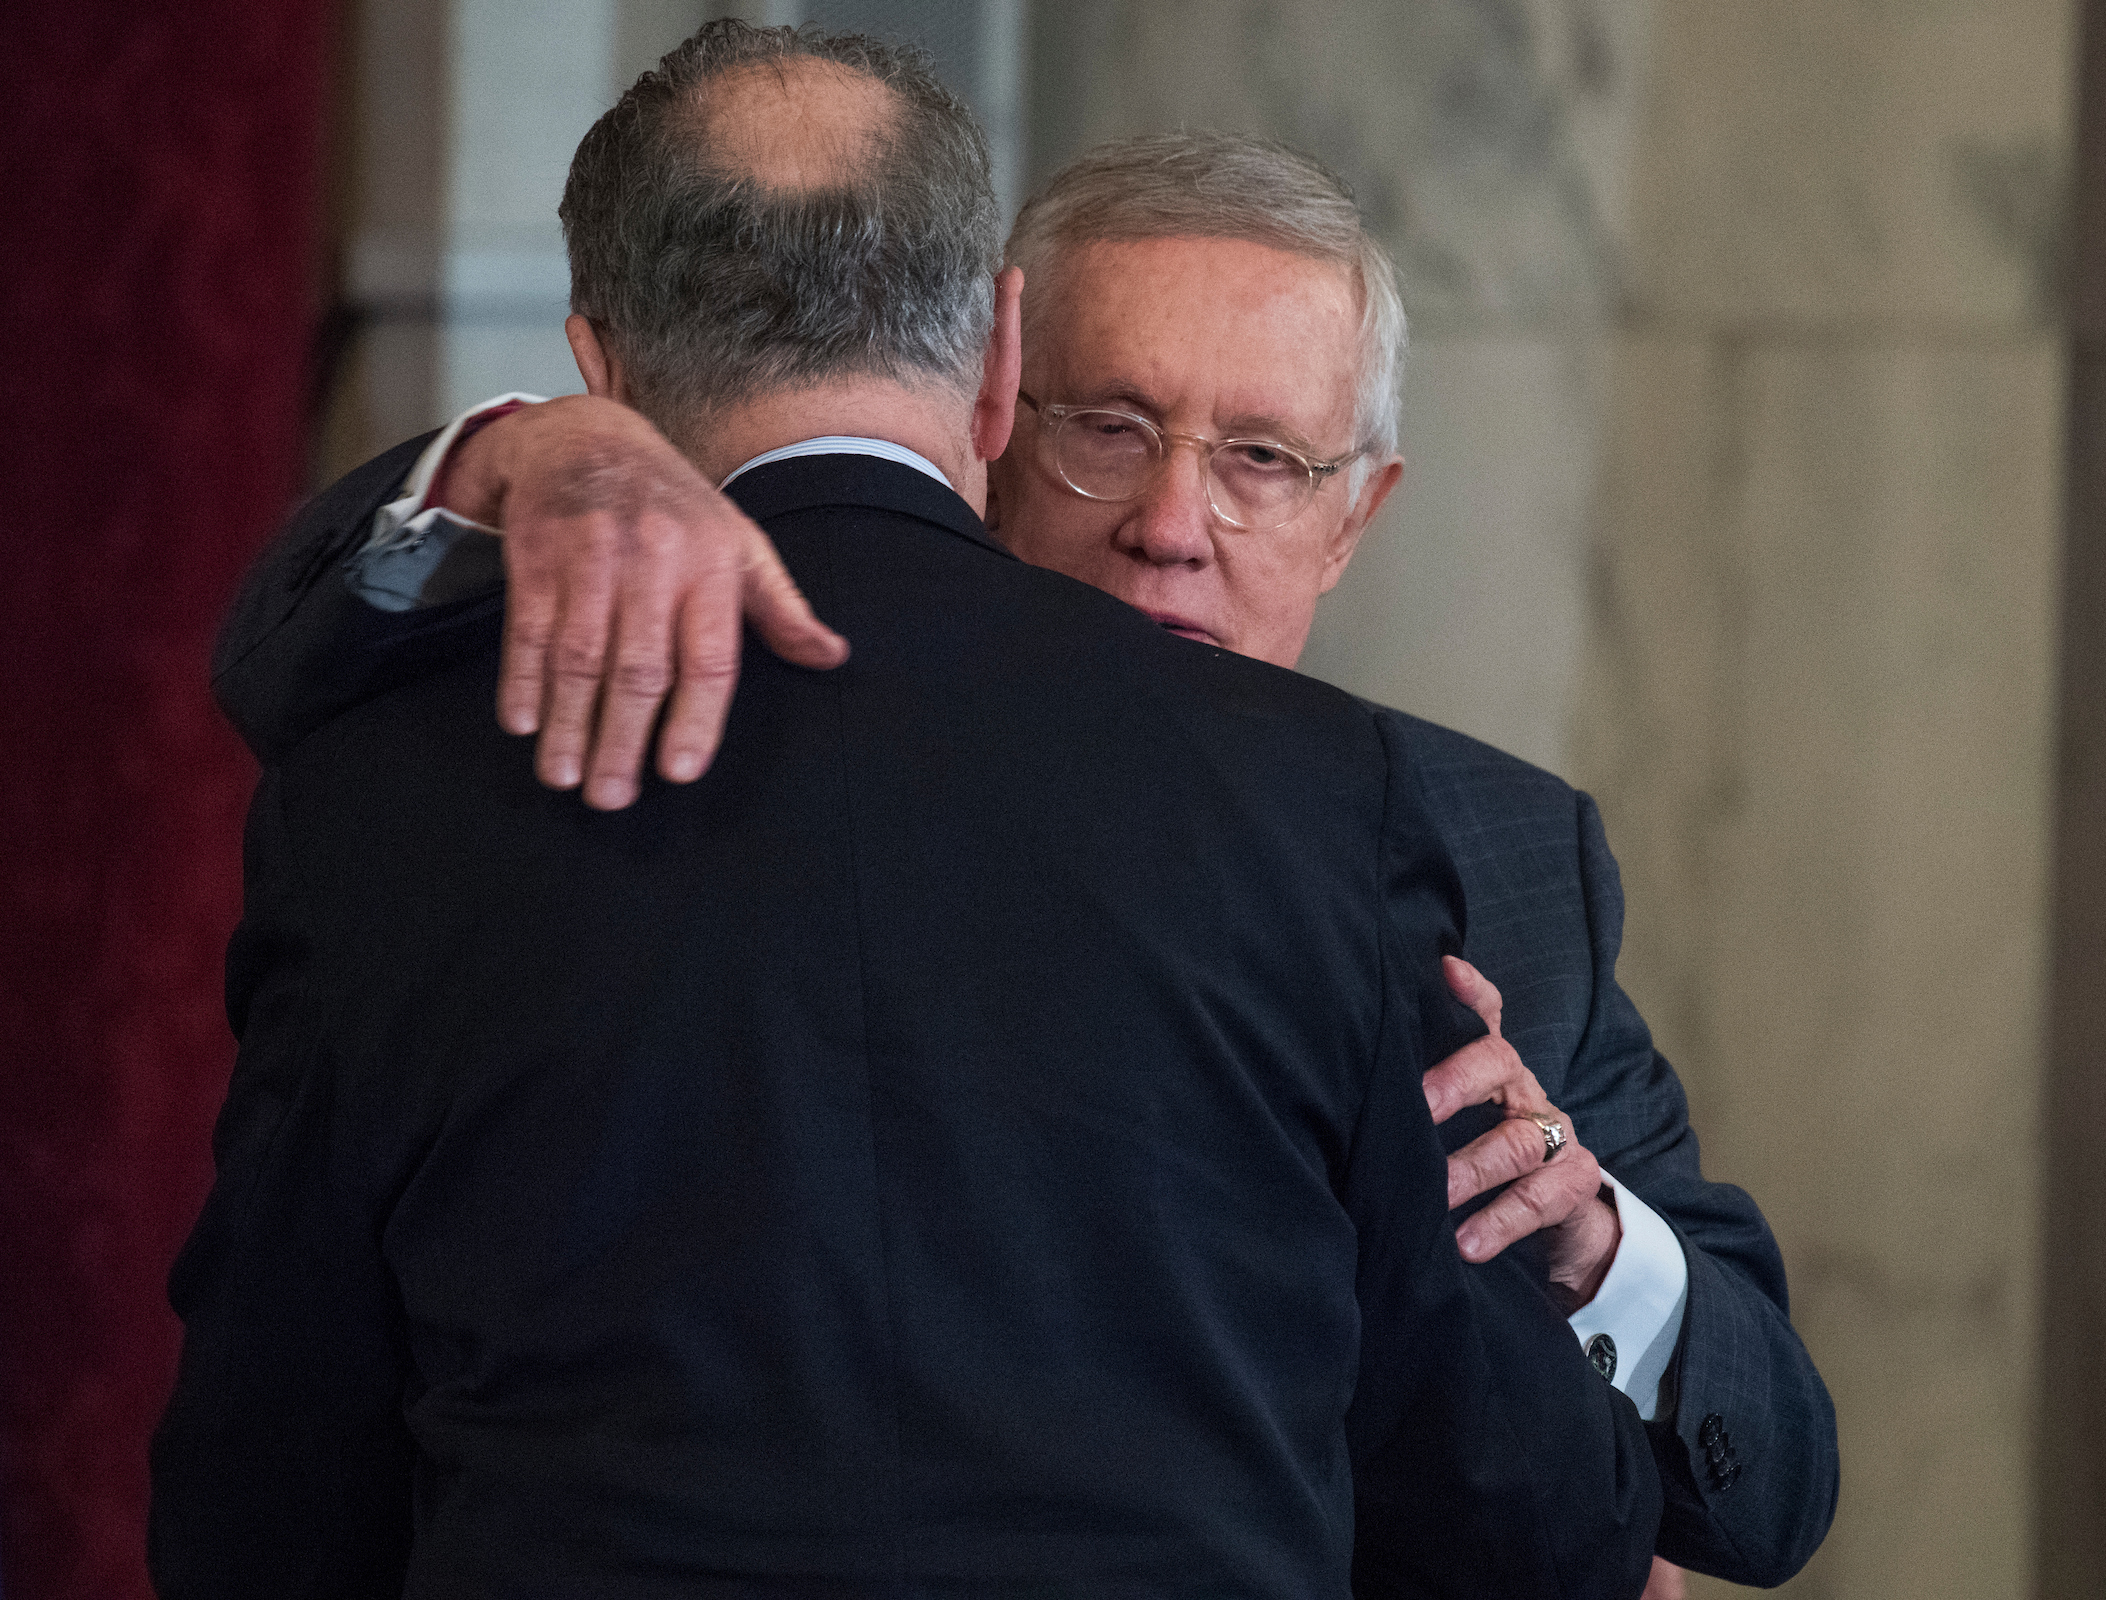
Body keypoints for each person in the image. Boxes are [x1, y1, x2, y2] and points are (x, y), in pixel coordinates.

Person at [213, 118, 1835, 1597]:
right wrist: (514, 451)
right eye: (1111, 428)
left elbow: (1770, 1490)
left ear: (1357, 518)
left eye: (1264, 460)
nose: (1174, 523)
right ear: (989, 413)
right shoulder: (726, 762)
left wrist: (1599, 1250)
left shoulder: (1497, 848)